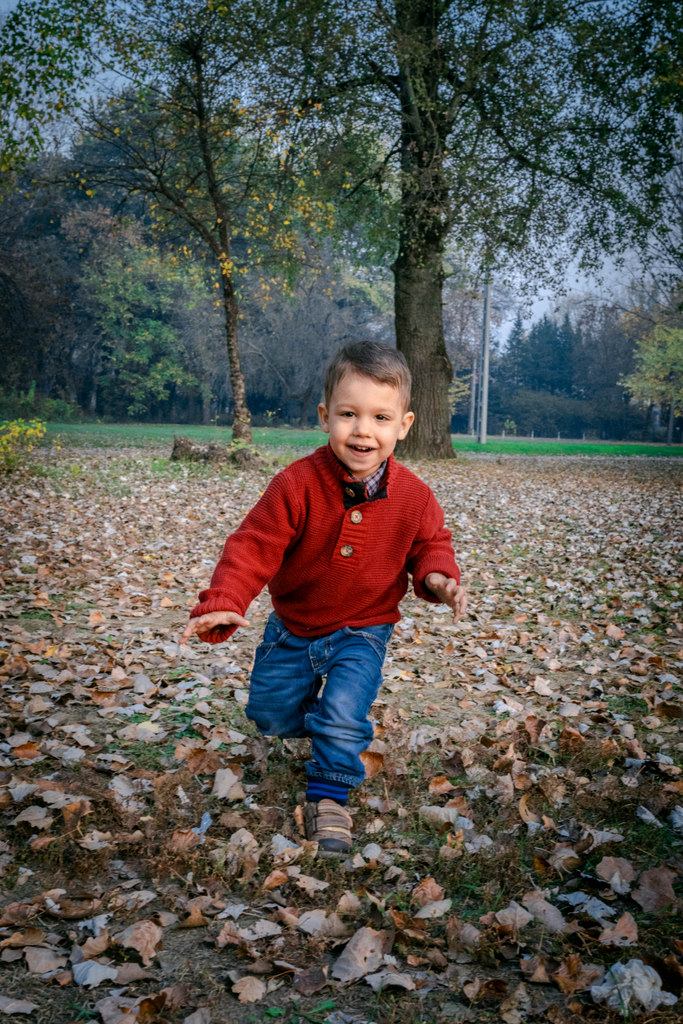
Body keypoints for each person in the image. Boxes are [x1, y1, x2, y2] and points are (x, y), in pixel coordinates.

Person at [181, 341, 467, 854]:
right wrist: (225, 598)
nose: (363, 430)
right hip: (295, 625)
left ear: (404, 425)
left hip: (365, 627)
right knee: (269, 715)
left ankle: (330, 796)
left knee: (341, 711)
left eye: (381, 417)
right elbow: (253, 546)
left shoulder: (414, 495)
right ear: (324, 416)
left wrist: (438, 578)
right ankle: (325, 721)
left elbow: (431, 544)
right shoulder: (296, 484)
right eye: (348, 414)